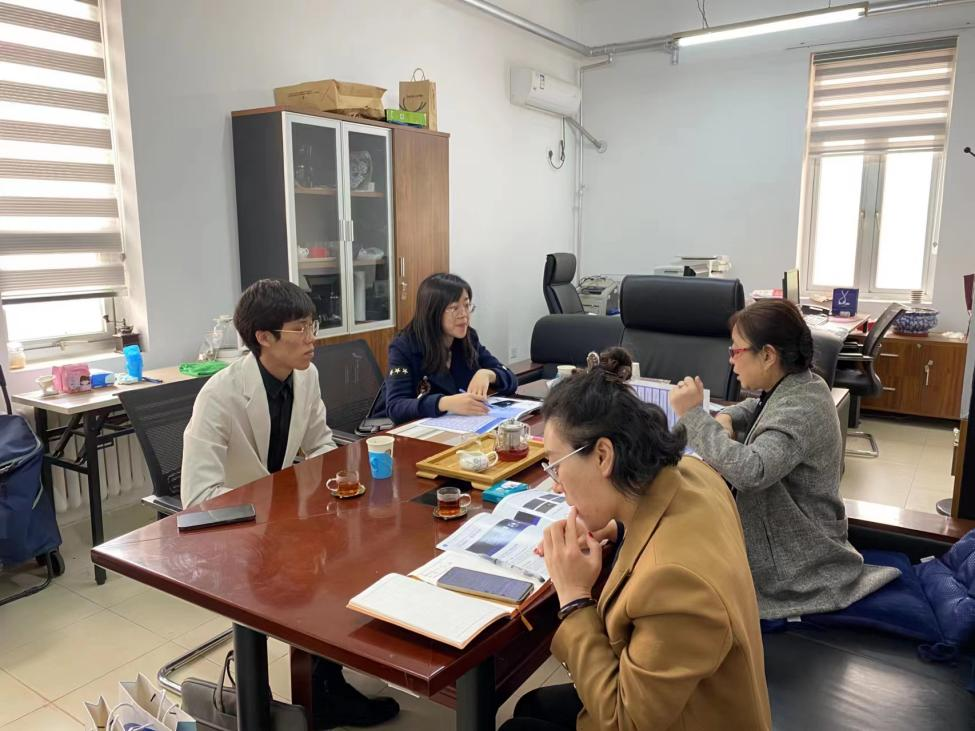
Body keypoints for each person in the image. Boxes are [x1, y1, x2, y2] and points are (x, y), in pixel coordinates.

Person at [502, 348, 771, 731]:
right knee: (534, 705)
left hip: (673, 717)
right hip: (689, 693)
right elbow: (662, 520)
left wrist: (574, 597)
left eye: (557, 467)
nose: (556, 485)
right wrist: (618, 527)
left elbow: (625, 722)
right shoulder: (694, 472)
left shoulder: (675, 581)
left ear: (603, 456)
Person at [181, 279, 398, 729]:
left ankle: (326, 683)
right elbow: (197, 497)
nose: (312, 338)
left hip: (285, 520)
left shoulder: (305, 376)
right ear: (264, 337)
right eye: (300, 329)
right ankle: (297, 695)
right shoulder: (219, 396)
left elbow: (319, 444)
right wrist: (274, 520)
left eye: (312, 325)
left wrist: (338, 485)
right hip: (237, 532)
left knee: (352, 556)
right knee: (319, 574)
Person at [670, 299, 899, 619]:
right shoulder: (801, 384)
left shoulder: (801, 407)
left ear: (767, 355)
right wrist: (727, 417)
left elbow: (752, 471)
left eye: (736, 351)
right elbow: (759, 408)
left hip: (795, 567)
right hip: (784, 538)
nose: (731, 360)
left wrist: (693, 415)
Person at [379, 272, 517, 424]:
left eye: (466, 305)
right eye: (454, 308)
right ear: (433, 311)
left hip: (459, 426)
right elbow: (396, 407)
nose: (464, 314)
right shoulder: (404, 346)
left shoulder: (468, 337)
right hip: (413, 431)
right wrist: (444, 403)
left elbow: (510, 378)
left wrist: (489, 374)